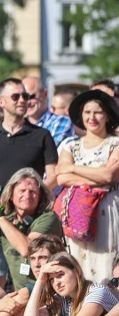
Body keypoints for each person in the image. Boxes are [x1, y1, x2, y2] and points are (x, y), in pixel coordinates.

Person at [55, 89, 119, 284]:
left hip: (106, 210)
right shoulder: (70, 145)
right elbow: (61, 178)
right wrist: (99, 178)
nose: (92, 117)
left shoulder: (115, 144)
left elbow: (110, 175)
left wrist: (73, 168)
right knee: (78, 262)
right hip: (77, 212)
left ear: (107, 115)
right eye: (87, 112)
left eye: (97, 112)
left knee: (106, 261)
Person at [0, 168, 61, 290]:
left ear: (40, 197)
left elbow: (27, 250)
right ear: (11, 195)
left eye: (33, 191)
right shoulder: (8, 220)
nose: (27, 195)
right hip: (22, 292)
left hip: (48, 290)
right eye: (22, 190)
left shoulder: (48, 218)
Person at [0, 78, 59, 193]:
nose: (22, 100)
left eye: (25, 96)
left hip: (30, 208)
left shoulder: (42, 136)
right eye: (15, 97)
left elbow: (53, 177)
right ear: (1, 102)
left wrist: (33, 194)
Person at [23, 76, 75, 146]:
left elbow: (50, 151)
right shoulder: (18, 125)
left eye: (31, 96)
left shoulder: (61, 121)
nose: (28, 102)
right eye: (24, 97)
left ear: (45, 94)